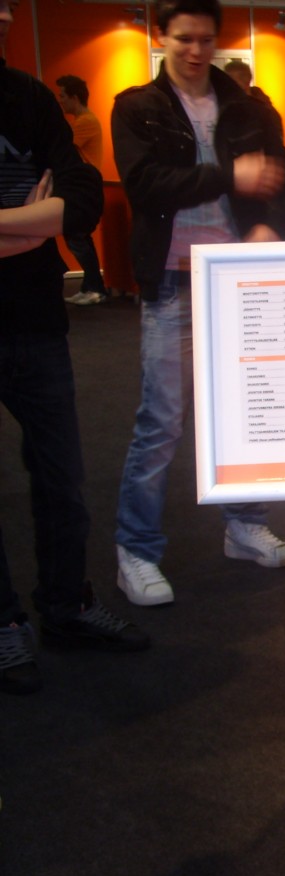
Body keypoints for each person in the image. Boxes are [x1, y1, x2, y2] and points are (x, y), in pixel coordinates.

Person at [111, 0, 285, 607]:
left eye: (205, 40)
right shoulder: (136, 107)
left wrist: (272, 226)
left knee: (245, 415)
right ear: (161, 36)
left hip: (239, 281)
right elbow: (145, 186)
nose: (196, 51)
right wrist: (228, 176)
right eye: (184, 39)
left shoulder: (245, 106)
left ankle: (244, 523)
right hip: (173, 280)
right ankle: (136, 549)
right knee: (162, 421)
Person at [1, 0, 151, 699]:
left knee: (62, 479)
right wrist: (28, 223)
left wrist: (30, 226)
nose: (5, 16)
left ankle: (66, 606)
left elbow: (83, 196)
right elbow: (58, 209)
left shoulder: (28, 98)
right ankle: (4, 624)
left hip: (35, 322)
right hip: (30, 304)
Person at [53, 74, 107, 308]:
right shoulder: (82, 121)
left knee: (78, 238)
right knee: (78, 238)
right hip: (81, 188)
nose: (60, 100)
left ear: (74, 97)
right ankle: (91, 286)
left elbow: (63, 149)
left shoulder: (85, 122)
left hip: (84, 189)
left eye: (63, 96)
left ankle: (95, 288)